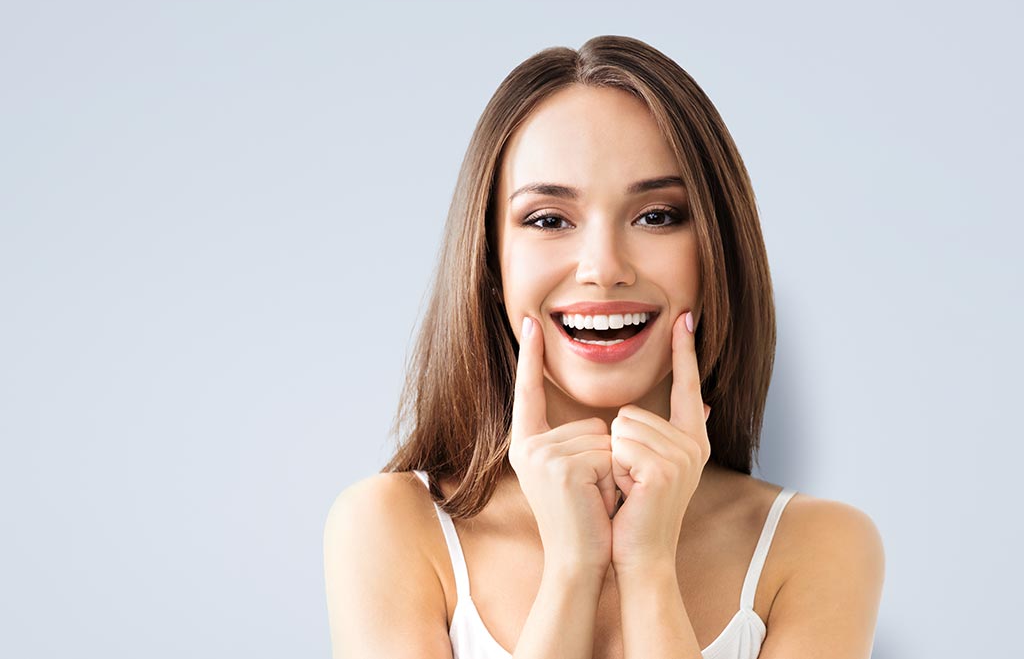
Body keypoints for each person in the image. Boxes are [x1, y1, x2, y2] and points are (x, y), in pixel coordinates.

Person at [323, 35, 885, 659]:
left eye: (657, 216)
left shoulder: (818, 546)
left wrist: (647, 567)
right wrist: (571, 567)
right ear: (491, 261)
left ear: (716, 252)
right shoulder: (392, 528)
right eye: (548, 219)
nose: (604, 267)